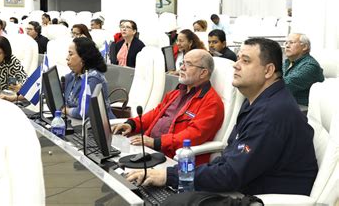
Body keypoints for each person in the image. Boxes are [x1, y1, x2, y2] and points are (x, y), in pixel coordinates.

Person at [127, 38, 318, 196]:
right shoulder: (256, 102)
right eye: (238, 59)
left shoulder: (272, 113)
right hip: (245, 184)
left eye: (245, 60)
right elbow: (230, 159)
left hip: (265, 196)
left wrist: (169, 176)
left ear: (268, 71)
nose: (235, 65)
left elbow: (231, 174)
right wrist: (174, 174)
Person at [112, 49, 224, 161]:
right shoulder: (176, 93)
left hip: (172, 157)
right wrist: (132, 124)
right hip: (150, 148)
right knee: (112, 158)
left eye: (188, 64)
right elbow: (155, 113)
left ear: (203, 73)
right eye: (182, 63)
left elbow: (195, 134)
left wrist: (156, 142)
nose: (182, 68)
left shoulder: (211, 102)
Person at [61, 37, 116, 120]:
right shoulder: (73, 75)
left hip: (101, 126)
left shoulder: (94, 78)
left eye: (71, 54)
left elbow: (83, 112)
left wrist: (66, 110)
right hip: (78, 122)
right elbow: (61, 99)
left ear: (83, 58)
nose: (67, 58)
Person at [283, 33, 324, 106]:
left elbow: (286, 84)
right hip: (287, 103)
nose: (287, 46)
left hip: (302, 108)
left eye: (291, 43)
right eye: (286, 43)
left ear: (305, 47)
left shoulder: (310, 65)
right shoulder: (287, 63)